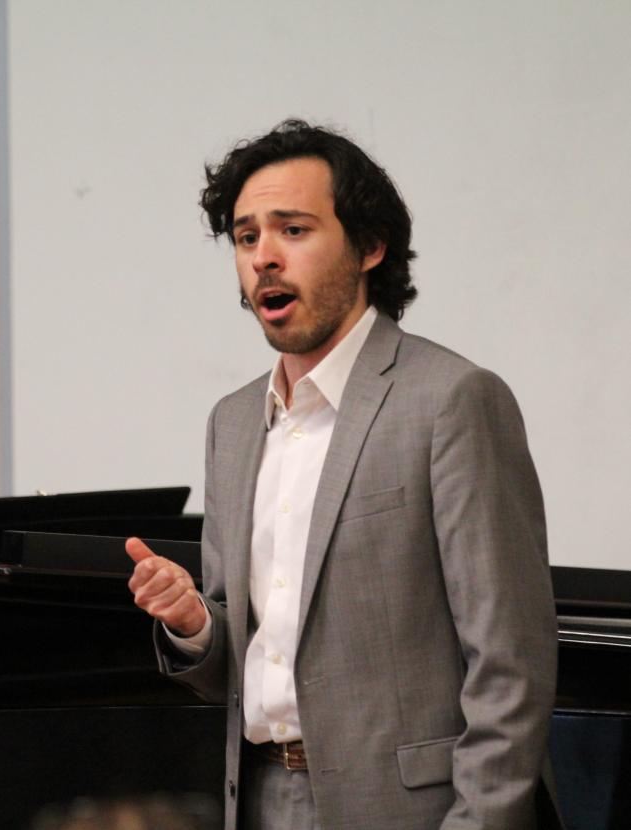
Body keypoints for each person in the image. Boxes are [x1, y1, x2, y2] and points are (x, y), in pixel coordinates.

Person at [125, 120, 560, 829]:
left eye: (292, 230)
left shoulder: (450, 400)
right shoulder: (232, 424)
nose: (264, 257)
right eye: (246, 237)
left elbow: (511, 663)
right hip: (262, 798)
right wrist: (197, 624)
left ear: (370, 245)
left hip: (414, 811)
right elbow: (251, 662)